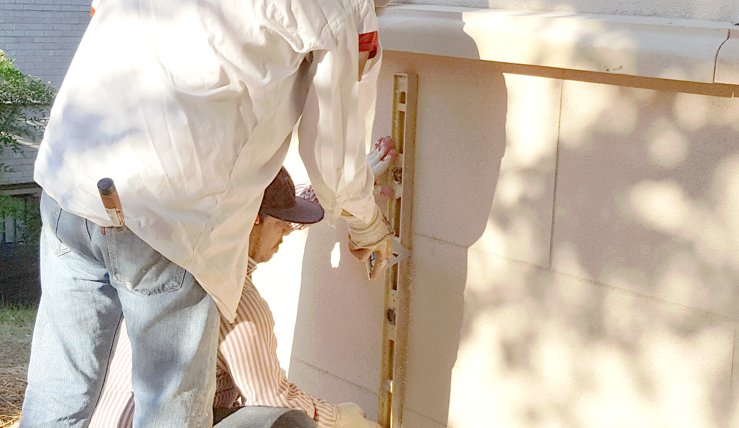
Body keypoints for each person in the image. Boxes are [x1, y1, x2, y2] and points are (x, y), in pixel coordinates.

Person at [21, 0, 393, 426]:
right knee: (169, 407)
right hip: (167, 217)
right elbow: (335, 158)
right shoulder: (341, 7)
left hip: (71, 183)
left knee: (58, 391)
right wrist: (367, 224)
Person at [89, 167, 383, 428]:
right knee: (291, 423)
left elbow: (267, 220)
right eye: (280, 224)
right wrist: (342, 420)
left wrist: (348, 187)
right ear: (254, 219)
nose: (285, 234)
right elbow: (273, 398)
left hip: (112, 417)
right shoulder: (239, 304)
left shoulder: (180, 258)